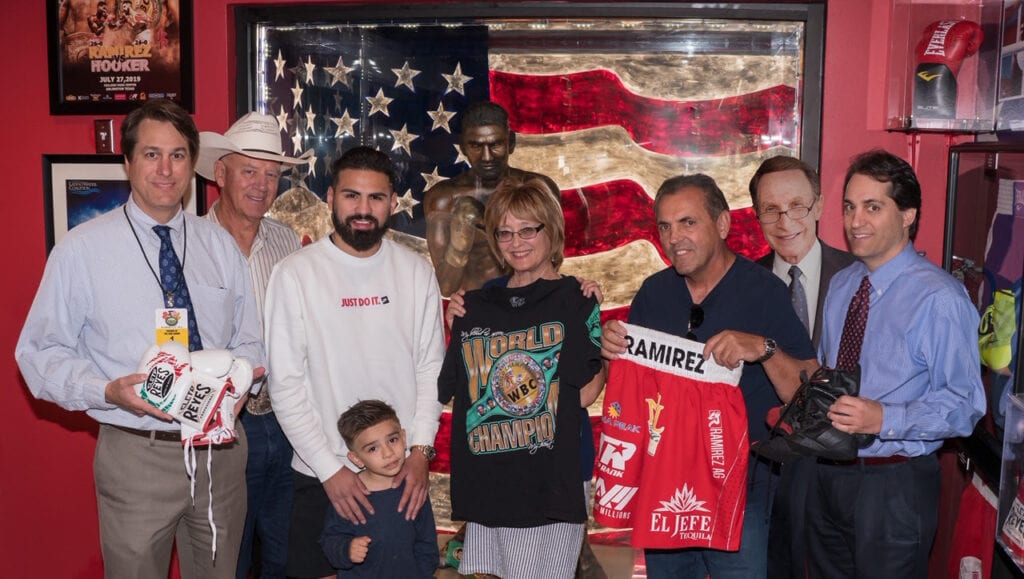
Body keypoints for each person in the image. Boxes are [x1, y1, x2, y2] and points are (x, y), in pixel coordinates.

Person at [16, 98, 264, 579]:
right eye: (151, 154)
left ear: (193, 164)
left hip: (221, 453)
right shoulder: (82, 250)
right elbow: (37, 353)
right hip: (136, 452)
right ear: (127, 161)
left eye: (177, 155)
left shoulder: (219, 247)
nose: (166, 170)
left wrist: (237, 383)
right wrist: (105, 391)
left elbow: (251, 339)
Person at [599, 174, 818, 579]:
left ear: (722, 225)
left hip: (741, 488)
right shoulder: (653, 293)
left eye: (688, 222)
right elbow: (631, 392)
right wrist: (610, 351)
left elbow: (809, 385)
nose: (674, 237)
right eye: (664, 226)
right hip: (666, 484)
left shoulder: (764, 291)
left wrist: (764, 349)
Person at [265, 146, 444, 579]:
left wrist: (419, 453)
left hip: (397, 477)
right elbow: (285, 385)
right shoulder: (294, 274)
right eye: (351, 196)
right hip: (320, 476)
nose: (363, 209)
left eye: (376, 198)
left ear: (393, 204)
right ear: (330, 198)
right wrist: (330, 470)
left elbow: (430, 373)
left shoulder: (416, 272)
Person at [806, 150, 986, 578]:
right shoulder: (844, 283)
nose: (855, 221)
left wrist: (885, 417)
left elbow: (966, 404)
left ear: (908, 215)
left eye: (873, 207)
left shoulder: (939, 298)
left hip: (894, 485)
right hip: (829, 474)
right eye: (850, 206)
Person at [438, 176, 606, 579]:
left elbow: (584, 393)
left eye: (528, 229)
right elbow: (451, 385)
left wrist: (595, 334)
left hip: (552, 474)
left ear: (552, 230)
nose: (517, 242)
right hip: (491, 473)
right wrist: (456, 322)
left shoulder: (576, 299)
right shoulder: (478, 302)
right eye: (505, 232)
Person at [197, 111, 310, 579]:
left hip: (286, 421)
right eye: (249, 171)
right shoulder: (186, 245)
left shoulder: (289, 243)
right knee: (227, 554)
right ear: (220, 172)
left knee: (288, 553)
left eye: (272, 174)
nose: (262, 185)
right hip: (223, 425)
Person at [747, 156, 855, 579]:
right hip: (765, 471)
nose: (784, 220)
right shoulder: (742, 284)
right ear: (756, 216)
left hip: (843, 472)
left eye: (796, 206)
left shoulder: (858, 276)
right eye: (770, 209)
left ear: (819, 205)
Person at [424, 101, 561, 297]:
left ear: (510, 142)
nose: (487, 157)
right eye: (476, 146)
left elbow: (554, 259)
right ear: (463, 147)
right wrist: (460, 243)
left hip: (533, 302)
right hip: (480, 311)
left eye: (495, 144)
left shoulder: (538, 189)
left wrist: (488, 226)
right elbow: (446, 287)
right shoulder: (445, 198)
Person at [320, 399, 439, 578]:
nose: (388, 453)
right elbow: (330, 540)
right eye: (373, 448)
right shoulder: (349, 494)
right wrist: (346, 549)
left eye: (392, 440)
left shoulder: (413, 487)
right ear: (356, 459)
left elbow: (427, 544)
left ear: (404, 437)